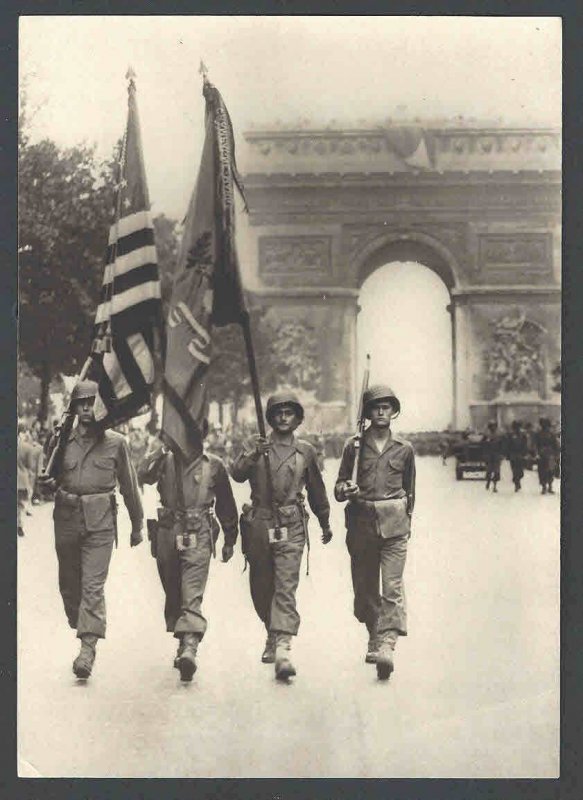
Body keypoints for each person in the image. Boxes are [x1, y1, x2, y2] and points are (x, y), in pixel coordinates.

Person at [41, 380, 143, 679]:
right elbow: (48, 480)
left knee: (92, 587)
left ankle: (87, 648)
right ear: (74, 407)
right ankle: (83, 623)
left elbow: (130, 487)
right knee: (70, 585)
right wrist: (46, 484)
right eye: (82, 403)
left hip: (100, 523)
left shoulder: (117, 443)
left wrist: (137, 525)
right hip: (67, 518)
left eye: (93, 402)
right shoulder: (61, 441)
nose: (87, 408)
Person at [230, 391, 333, 681]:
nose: (283, 417)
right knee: (262, 586)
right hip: (260, 524)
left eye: (289, 413)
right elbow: (236, 474)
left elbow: (316, 490)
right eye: (278, 413)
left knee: (286, 584)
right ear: (271, 418)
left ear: (298, 418)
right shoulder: (256, 445)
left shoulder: (306, 452)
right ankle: (271, 632)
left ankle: (284, 646)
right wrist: (253, 453)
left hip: (291, 523)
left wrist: (325, 522)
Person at [138, 429, 239, 682]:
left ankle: (190, 646)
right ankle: (183, 639)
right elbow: (143, 474)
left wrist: (230, 537)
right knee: (173, 590)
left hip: (199, 532)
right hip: (168, 533)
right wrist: (162, 448)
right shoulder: (165, 460)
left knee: (191, 591)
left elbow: (226, 503)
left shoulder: (213, 465)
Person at [334, 385, 415, 681]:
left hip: (395, 525)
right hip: (361, 523)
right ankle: (373, 633)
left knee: (392, 587)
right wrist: (347, 489)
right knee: (365, 587)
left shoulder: (404, 449)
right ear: (367, 413)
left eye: (386, 406)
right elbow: (339, 486)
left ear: (394, 411)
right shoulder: (353, 447)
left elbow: (410, 490)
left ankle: (387, 644)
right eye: (375, 407)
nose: (381, 411)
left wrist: (407, 523)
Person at [17, 424, 35, 537]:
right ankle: (19, 524)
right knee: (19, 504)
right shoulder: (27, 447)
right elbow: (30, 466)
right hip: (21, 480)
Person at [534, 417, 560, 495]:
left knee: (550, 471)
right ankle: (544, 487)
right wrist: (536, 453)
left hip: (550, 455)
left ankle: (549, 486)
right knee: (542, 471)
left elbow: (556, 444)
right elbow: (536, 445)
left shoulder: (551, 434)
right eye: (543, 425)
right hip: (542, 455)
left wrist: (556, 454)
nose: (545, 427)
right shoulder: (538, 434)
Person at [506, 420, 528, 492]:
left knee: (521, 472)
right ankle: (516, 484)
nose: (517, 428)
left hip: (520, 454)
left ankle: (517, 480)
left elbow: (525, 444)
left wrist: (525, 453)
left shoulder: (523, 435)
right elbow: (507, 445)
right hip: (513, 454)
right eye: (515, 427)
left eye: (518, 427)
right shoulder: (510, 435)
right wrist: (507, 454)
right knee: (514, 470)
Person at [483, 421, 503, 492]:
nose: (493, 427)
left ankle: (495, 486)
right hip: (489, 455)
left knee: (496, 472)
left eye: (494, 426)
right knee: (489, 471)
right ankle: (488, 481)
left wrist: (502, 455)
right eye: (491, 426)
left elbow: (502, 445)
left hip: (497, 455)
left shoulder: (499, 435)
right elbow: (483, 445)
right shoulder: (486, 435)